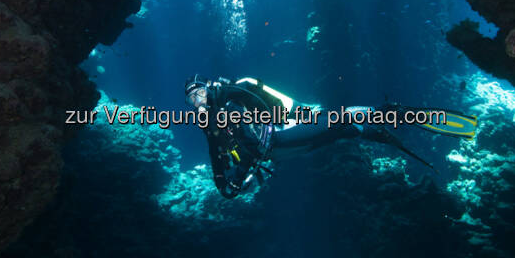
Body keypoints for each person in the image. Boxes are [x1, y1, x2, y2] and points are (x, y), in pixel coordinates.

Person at [184, 75, 477, 198]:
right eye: (191, 99)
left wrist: (241, 173)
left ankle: (390, 113)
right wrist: (222, 182)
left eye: (198, 93)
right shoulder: (210, 121)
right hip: (279, 150)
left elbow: (251, 135)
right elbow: (215, 151)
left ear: (208, 89)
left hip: (282, 135)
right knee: (338, 133)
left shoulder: (229, 98)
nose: (197, 102)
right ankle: (370, 130)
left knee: (339, 120)